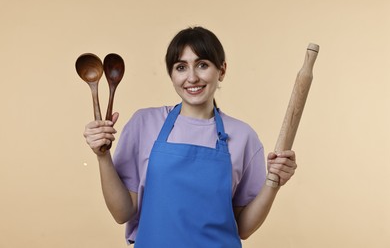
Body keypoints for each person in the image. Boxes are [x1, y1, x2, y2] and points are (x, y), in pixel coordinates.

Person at [83, 26, 297, 247]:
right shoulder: (144, 124)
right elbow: (122, 212)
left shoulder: (243, 136)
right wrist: (102, 157)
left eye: (202, 65)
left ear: (221, 70)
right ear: (172, 74)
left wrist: (274, 182)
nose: (192, 78)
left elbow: (242, 228)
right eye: (181, 67)